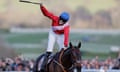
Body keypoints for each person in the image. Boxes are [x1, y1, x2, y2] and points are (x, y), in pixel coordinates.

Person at [39, 3, 70, 72]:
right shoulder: (55, 18)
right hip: (53, 33)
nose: (61, 22)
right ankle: (43, 67)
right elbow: (46, 14)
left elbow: (66, 34)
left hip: (61, 35)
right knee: (49, 50)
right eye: (61, 19)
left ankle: (66, 67)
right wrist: (42, 7)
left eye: (63, 21)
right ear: (59, 17)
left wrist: (65, 44)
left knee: (63, 51)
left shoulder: (66, 26)